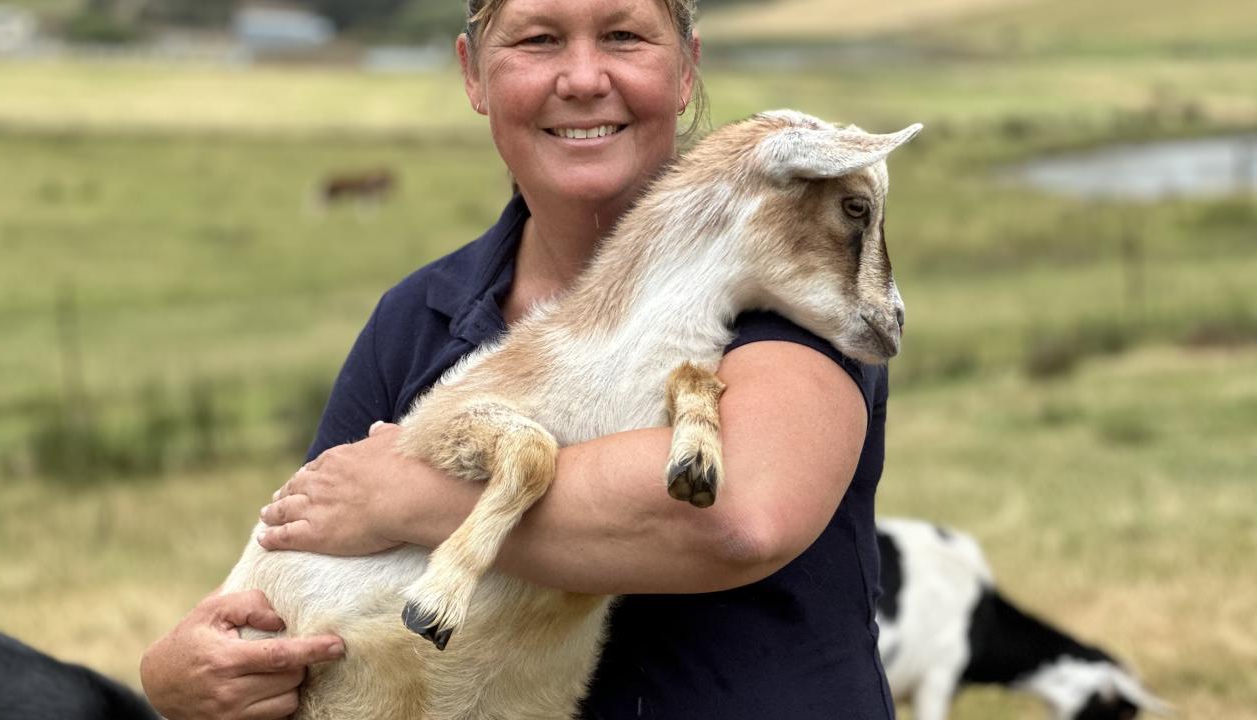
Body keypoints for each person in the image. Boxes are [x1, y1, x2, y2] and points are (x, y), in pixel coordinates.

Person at [140, 0, 896, 717]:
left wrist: (411, 497)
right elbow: (308, 545)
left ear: (687, 69)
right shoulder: (421, 315)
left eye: (624, 36)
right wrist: (177, 675)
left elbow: (739, 516)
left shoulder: (790, 295)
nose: (583, 78)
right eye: (538, 40)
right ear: (473, 73)